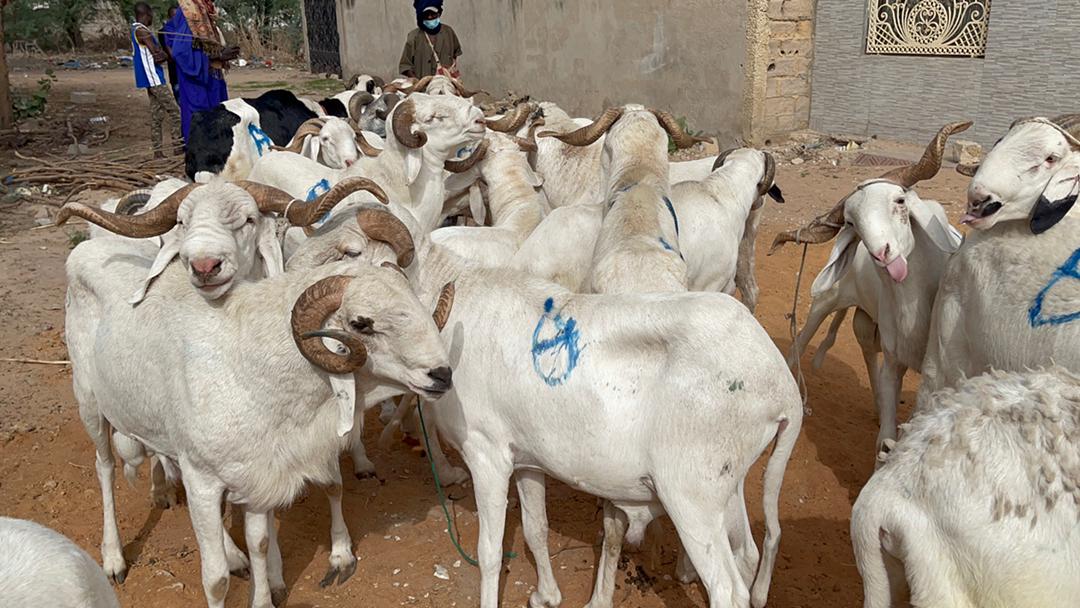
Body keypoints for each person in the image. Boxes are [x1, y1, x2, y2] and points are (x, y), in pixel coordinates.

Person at [164, 0, 239, 140]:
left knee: (217, 119)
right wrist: (216, 56)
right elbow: (180, 53)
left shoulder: (204, 12)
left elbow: (204, 45)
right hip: (197, 83)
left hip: (212, 80)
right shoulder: (190, 12)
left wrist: (222, 54)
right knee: (201, 124)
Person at [131, 2, 183, 157]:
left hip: (150, 79)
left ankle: (158, 152)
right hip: (154, 78)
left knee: (157, 116)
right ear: (146, 14)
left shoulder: (137, 29)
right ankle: (177, 146)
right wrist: (164, 54)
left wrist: (162, 54)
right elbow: (158, 55)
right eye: (151, 15)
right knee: (175, 112)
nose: (152, 18)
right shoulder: (142, 31)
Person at [398, 0, 462, 79]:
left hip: (445, 85)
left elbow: (455, 56)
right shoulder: (413, 37)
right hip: (422, 88)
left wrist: (450, 71)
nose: (430, 17)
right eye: (426, 14)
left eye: (433, 14)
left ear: (439, 13)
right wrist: (418, 82)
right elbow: (405, 66)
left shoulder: (449, 32)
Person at [159, 5, 181, 101]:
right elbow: (171, 53)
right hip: (175, 70)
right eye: (173, 16)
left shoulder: (185, 31)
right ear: (169, 17)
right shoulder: (164, 32)